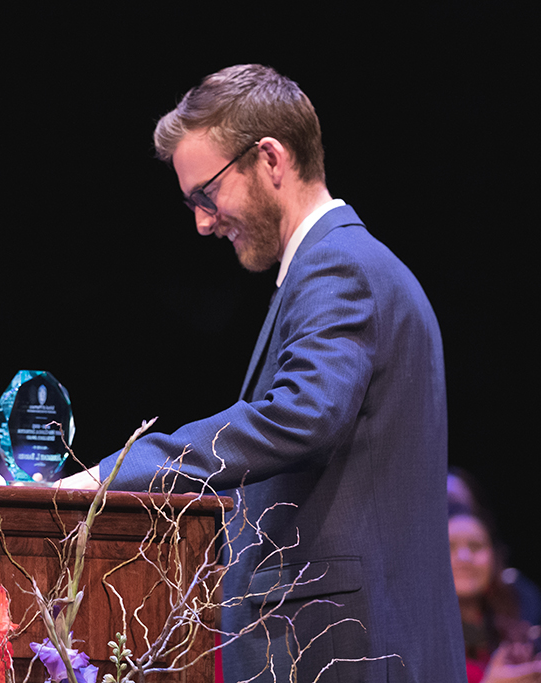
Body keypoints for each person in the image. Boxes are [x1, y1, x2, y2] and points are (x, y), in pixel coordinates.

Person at [61, 64, 465, 681]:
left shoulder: (339, 267)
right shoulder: (343, 265)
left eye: (206, 194)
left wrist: (107, 478)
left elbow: (299, 416)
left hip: (341, 653)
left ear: (270, 159)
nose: (201, 221)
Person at [449, 503, 541, 683]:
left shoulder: (516, 633)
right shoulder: (418, 643)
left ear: (494, 557)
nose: (464, 558)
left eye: (476, 546)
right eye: (449, 547)